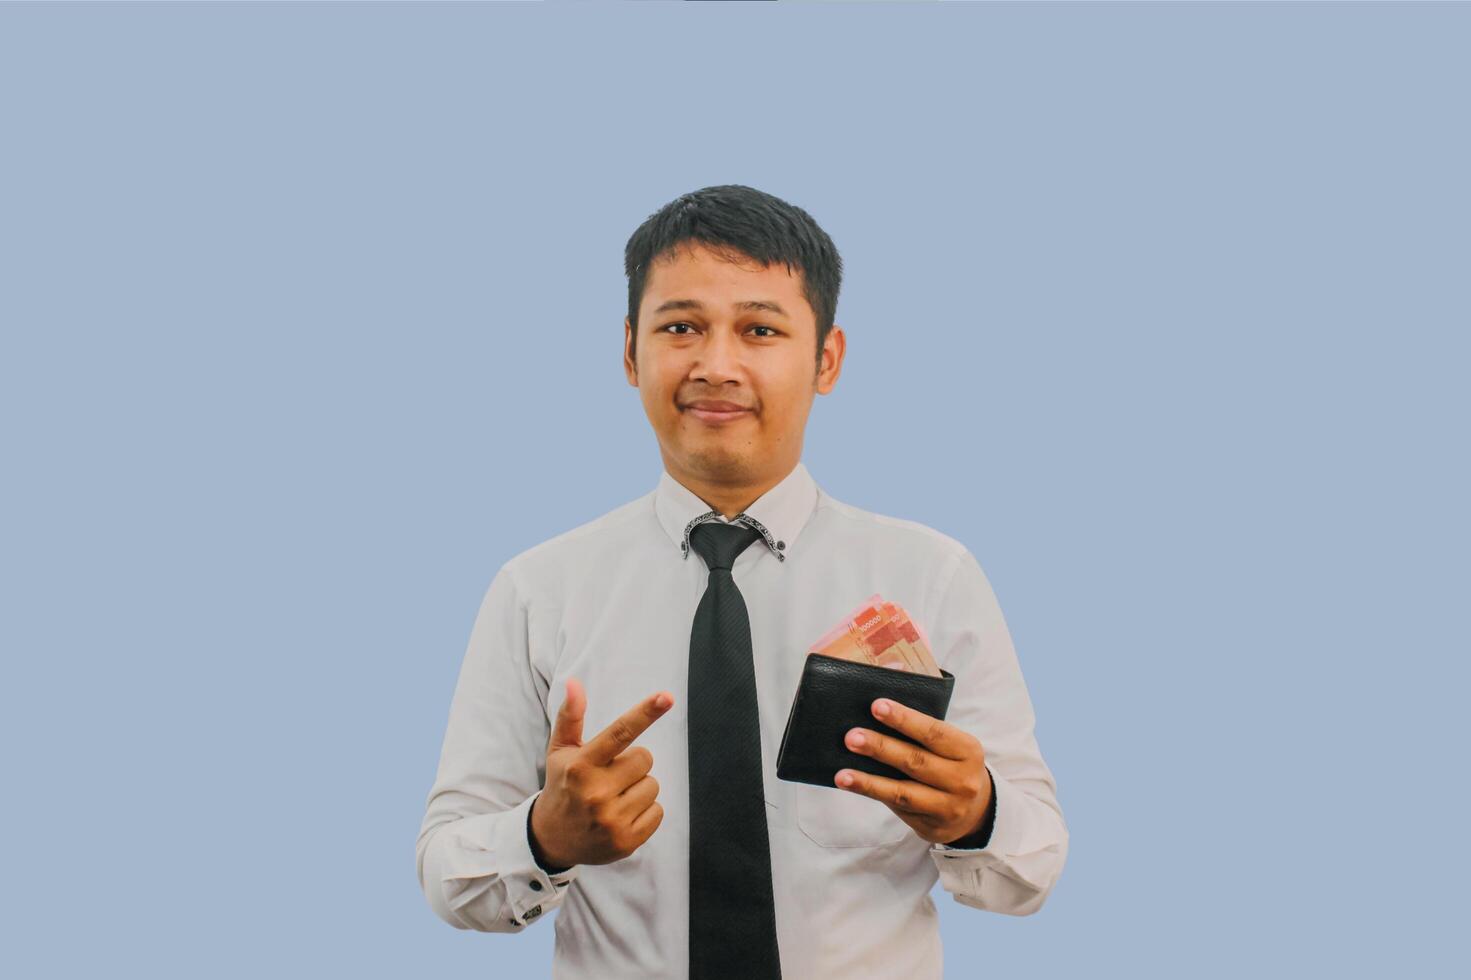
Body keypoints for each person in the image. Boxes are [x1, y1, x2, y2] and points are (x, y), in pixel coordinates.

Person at [415, 184, 1068, 978]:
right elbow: (447, 870)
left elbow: (1032, 863)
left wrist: (976, 814)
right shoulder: (536, 589)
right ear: (629, 352)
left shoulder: (930, 577)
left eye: (759, 329)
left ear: (826, 359)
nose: (715, 365)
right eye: (681, 327)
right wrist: (543, 837)